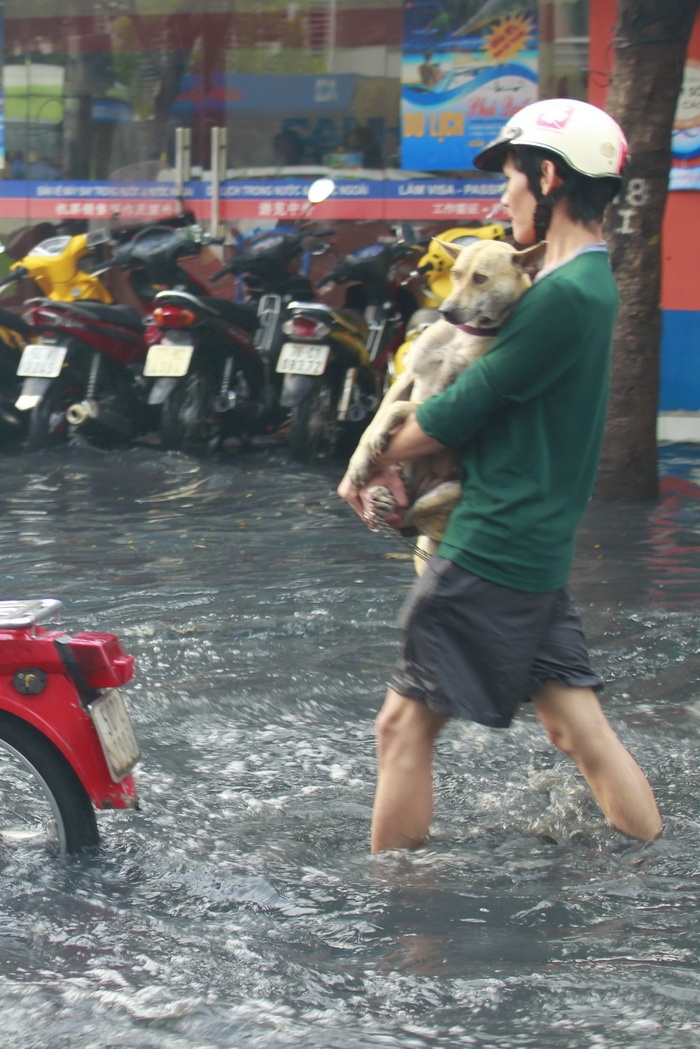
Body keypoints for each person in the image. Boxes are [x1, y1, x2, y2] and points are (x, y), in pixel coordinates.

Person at [337, 98, 662, 853]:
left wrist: (368, 464)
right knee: (574, 726)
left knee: (400, 727)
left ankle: (399, 918)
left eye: (511, 179)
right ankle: (651, 858)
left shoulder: (561, 297)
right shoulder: (584, 283)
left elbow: (456, 413)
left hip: (491, 543)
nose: (502, 197)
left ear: (548, 175)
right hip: (534, 541)